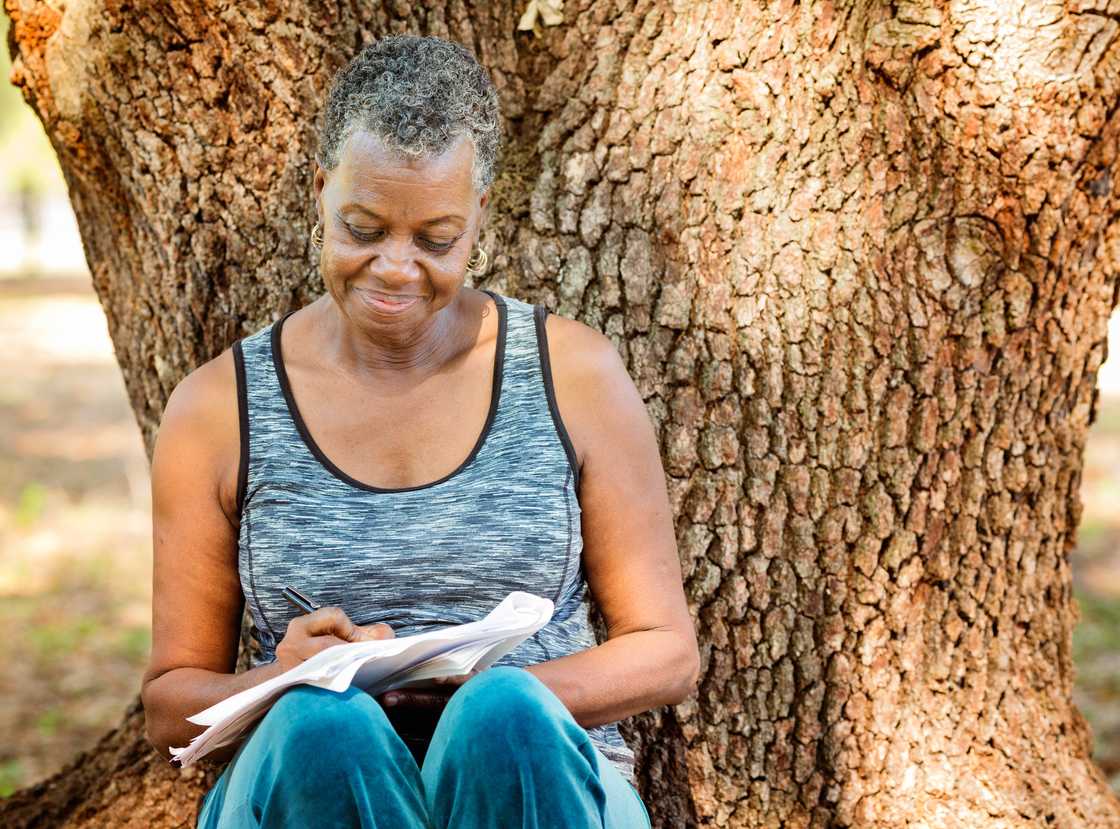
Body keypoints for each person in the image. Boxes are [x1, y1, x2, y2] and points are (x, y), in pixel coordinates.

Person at [140, 34, 699, 829]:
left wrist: (484, 696)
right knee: (319, 726)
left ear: (478, 215)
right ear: (320, 190)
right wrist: (281, 682)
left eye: (434, 239)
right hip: (311, 790)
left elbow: (667, 648)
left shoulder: (572, 374)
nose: (395, 268)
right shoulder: (219, 408)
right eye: (362, 228)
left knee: (503, 717)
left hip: (532, 782)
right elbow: (170, 704)